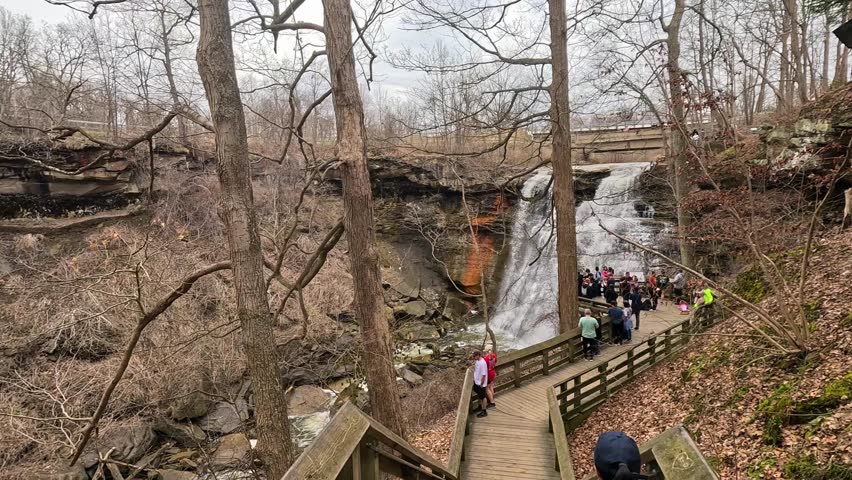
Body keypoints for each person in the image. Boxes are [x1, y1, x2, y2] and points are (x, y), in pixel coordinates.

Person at [472, 351, 489, 417]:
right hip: (477, 382)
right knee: (479, 395)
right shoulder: (477, 361)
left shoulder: (483, 363)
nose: (474, 358)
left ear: (478, 355)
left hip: (481, 383)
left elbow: (484, 374)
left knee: (483, 397)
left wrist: (481, 383)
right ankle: (480, 406)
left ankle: (484, 411)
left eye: (475, 356)